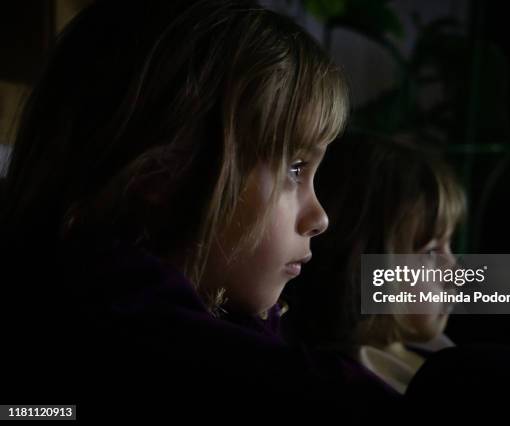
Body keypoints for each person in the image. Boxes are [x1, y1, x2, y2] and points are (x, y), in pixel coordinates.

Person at [0, 0, 400, 422]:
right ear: (161, 172)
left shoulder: (215, 307)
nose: (320, 218)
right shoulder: (111, 317)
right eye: (294, 168)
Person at [283, 134, 465, 393]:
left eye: (450, 245)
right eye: (431, 252)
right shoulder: (357, 385)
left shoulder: (430, 346)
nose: (454, 271)